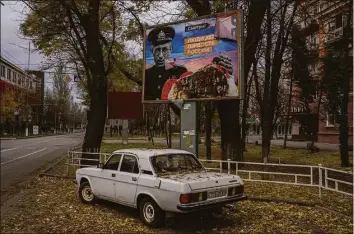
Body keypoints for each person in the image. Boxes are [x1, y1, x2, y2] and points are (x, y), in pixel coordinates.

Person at [144, 26, 187, 100]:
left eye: (164, 50)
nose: (160, 56)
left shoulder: (180, 72)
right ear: (152, 50)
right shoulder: (147, 74)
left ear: (170, 49)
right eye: (157, 50)